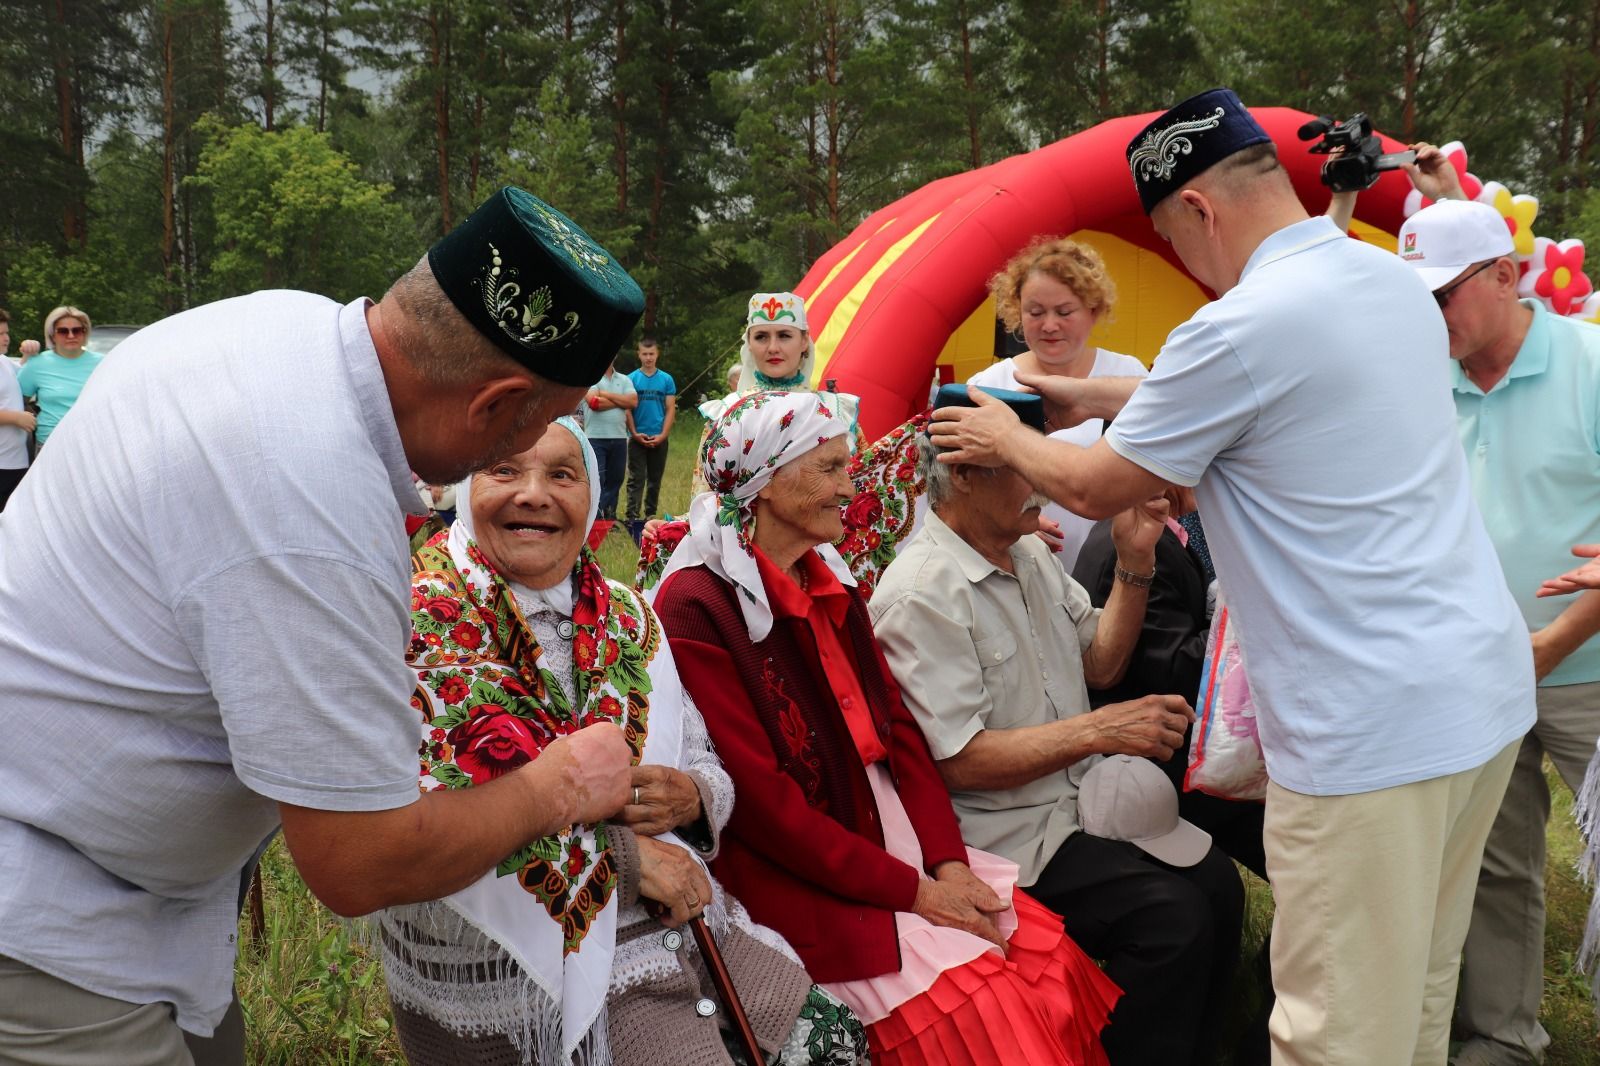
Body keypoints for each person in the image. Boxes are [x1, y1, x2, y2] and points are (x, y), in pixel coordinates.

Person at [928, 88, 1534, 1064]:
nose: (1182, 260)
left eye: (1173, 239)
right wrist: (1092, 388)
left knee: (1334, 1030)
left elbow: (1096, 474)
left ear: (1198, 210)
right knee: (1416, 991)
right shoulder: (1383, 282)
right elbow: (1263, 384)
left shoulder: (1242, 327)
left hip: (1367, 731)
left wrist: (1001, 429)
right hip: (1478, 691)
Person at [0, 187, 647, 1063]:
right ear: (494, 406)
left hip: (122, 881)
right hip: (50, 920)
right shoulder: (310, 505)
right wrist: (557, 784)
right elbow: (360, 860)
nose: (537, 448)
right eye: (540, 419)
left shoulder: (283, 325)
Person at [380, 418, 868, 1066]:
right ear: (468, 484)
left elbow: (700, 753)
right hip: (526, 985)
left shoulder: (627, 613)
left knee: (836, 1042)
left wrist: (692, 797)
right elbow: (416, 833)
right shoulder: (420, 628)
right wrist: (627, 861)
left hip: (690, 931)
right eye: (505, 470)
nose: (534, 493)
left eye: (562, 474)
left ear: (594, 495)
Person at [653, 390, 1121, 1065]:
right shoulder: (700, 602)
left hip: (886, 836)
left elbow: (900, 735)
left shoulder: (826, 579)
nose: (851, 487)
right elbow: (765, 807)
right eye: (829, 469)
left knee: (1049, 970)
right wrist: (918, 893)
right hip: (804, 875)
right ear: (763, 482)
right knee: (987, 1008)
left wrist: (949, 864)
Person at [872, 391, 1244, 1065]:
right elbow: (960, 762)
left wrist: (1136, 560)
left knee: (1217, 885)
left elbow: (1101, 664)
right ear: (962, 474)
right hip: (1003, 839)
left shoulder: (1027, 551)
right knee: (1171, 920)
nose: (1043, 479)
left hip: (1077, 806)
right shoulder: (923, 591)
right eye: (1022, 463)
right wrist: (1101, 733)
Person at [1395, 197, 1600, 1066]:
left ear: (1509, 276)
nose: (1427, 317)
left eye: (1441, 295)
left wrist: (1557, 639)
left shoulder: (1590, 362)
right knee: (1495, 862)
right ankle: (1505, 1040)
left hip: (1588, 664)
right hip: (1475, 674)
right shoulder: (1413, 380)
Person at [1072, 502, 1268, 879]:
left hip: (1170, 739)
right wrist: (1245, 610)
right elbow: (1174, 669)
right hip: (1152, 758)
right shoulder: (1133, 542)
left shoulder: (1159, 532)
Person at [969, 239, 1148, 570]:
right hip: (1021, 566)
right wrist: (1009, 527)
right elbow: (961, 490)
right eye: (1035, 313)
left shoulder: (1128, 377)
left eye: (1064, 312)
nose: (1049, 325)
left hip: (1114, 565)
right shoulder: (988, 386)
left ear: (1093, 311)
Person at [17, 305, 104, 448]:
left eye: (77, 330)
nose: (71, 336)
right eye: (63, 331)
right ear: (52, 335)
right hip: (50, 444)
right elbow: (15, 400)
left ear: (85, 333)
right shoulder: (37, 364)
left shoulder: (103, 363)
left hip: (93, 443)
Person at [624, 337, 676, 537]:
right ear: (639, 354)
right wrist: (635, 433)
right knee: (636, 478)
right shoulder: (631, 379)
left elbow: (670, 409)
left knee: (655, 478)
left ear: (657, 354)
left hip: (659, 437)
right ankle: (631, 517)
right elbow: (627, 409)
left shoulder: (666, 379)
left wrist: (663, 434)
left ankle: (650, 514)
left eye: (651, 354)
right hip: (637, 437)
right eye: (644, 354)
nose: (648, 358)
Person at [585, 356, 637, 520]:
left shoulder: (624, 379)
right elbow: (594, 403)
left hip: (619, 437)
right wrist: (622, 401)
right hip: (595, 437)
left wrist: (606, 394)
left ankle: (609, 516)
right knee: (598, 478)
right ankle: (596, 516)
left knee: (616, 478)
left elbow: (634, 402)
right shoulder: (591, 377)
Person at [0, 310, 33, 509]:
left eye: (6, 333)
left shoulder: (4, 361)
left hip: (16, 461)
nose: (6, 338)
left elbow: (25, 376)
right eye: (0, 334)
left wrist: (28, 354)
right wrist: (16, 418)